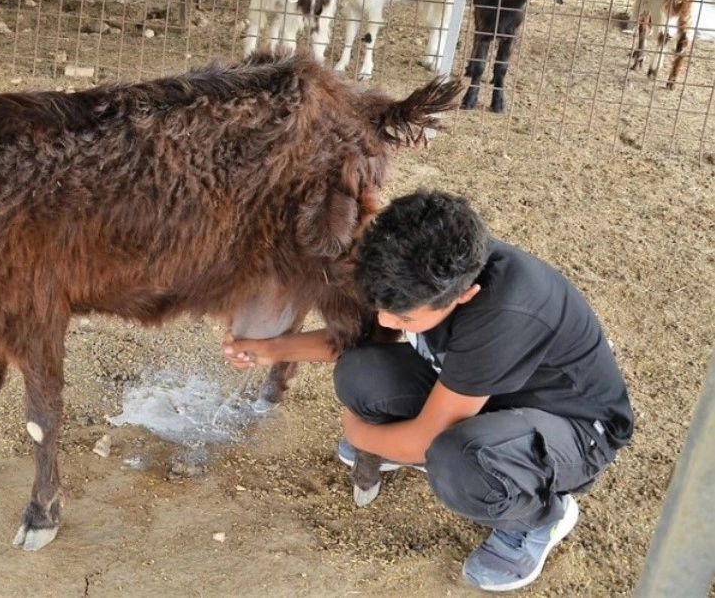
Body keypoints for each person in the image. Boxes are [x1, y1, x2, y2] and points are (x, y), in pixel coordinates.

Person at [223, 189, 634, 592]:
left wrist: (360, 433)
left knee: (458, 459)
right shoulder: (414, 263)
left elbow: (427, 440)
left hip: (577, 429)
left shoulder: (503, 314)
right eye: (381, 306)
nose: (386, 320)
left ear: (465, 295)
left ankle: (537, 518)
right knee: (360, 372)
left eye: (403, 317)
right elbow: (363, 338)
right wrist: (269, 350)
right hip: (487, 393)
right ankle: (410, 443)